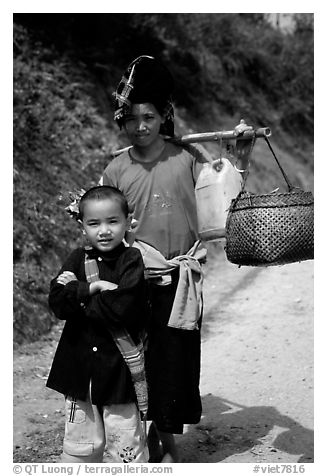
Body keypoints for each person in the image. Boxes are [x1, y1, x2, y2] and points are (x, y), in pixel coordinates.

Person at [100, 55, 251, 462]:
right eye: (131, 119)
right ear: (123, 122)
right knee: (137, 361)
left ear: (162, 116)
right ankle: (141, 434)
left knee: (175, 360)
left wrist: (241, 148)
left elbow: (226, 187)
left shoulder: (187, 157)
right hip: (133, 278)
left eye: (148, 117)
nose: (140, 126)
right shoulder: (115, 169)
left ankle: (165, 439)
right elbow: (104, 225)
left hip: (180, 277)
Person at [46, 185, 149, 463]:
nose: (104, 230)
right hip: (80, 373)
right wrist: (95, 288)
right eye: (94, 223)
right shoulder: (76, 258)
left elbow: (122, 310)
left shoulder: (132, 259)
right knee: (81, 447)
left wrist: (76, 293)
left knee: (124, 448)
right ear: (82, 226)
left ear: (127, 221)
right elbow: (57, 303)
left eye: (113, 221)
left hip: (118, 373)